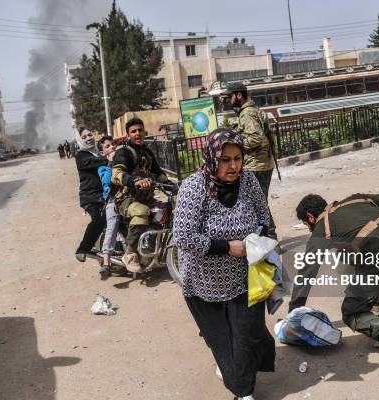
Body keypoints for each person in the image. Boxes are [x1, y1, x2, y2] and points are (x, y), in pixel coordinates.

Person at [173, 128, 275, 400]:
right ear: (212, 158)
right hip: (203, 283)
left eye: (238, 158)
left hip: (245, 277)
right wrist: (228, 247)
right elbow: (183, 237)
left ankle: (243, 390)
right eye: (225, 160)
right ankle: (238, 382)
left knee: (246, 335)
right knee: (220, 340)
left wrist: (257, 238)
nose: (233, 166)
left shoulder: (249, 180)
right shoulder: (194, 187)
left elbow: (264, 217)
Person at [291, 193, 379, 377]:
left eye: (307, 225)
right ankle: (374, 305)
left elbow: (307, 272)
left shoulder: (322, 228)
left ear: (310, 217)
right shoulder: (354, 199)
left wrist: (294, 312)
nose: (309, 229)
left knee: (351, 313)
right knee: (349, 255)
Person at [111, 117, 170, 273]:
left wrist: (174, 185)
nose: (138, 133)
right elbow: (116, 173)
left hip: (146, 198)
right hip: (126, 199)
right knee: (141, 211)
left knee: (164, 210)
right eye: (133, 131)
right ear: (128, 135)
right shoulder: (124, 152)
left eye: (140, 130)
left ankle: (149, 248)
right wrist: (133, 181)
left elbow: (159, 174)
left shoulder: (147, 152)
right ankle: (130, 253)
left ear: (145, 131)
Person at [225, 81, 277, 240]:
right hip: (261, 163)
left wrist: (236, 145)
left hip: (256, 164)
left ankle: (270, 236)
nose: (228, 100)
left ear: (239, 95)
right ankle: (268, 235)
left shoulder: (247, 113)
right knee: (258, 201)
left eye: (230, 96)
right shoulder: (251, 110)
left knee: (258, 202)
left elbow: (256, 138)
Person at [74, 128, 107, 262]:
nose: (88, 138)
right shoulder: (81, 155)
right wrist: (108, 157)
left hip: (103, 194)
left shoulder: (97, 153)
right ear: (79, 140)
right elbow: (94, 163)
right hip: (90, 197)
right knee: (99, 221)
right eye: (84, 137)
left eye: (90, 135)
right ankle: (83, 249)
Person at [97, 135, 121, 279]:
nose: (112, 147)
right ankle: (106, 262)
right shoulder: (103, 168)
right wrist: (112, 163)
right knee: (112, 224)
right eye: (107, 146)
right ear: (102, 153)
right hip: (113, 200)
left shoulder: (125, 161)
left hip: (131, 198)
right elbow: (106, 182)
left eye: (113, 144)